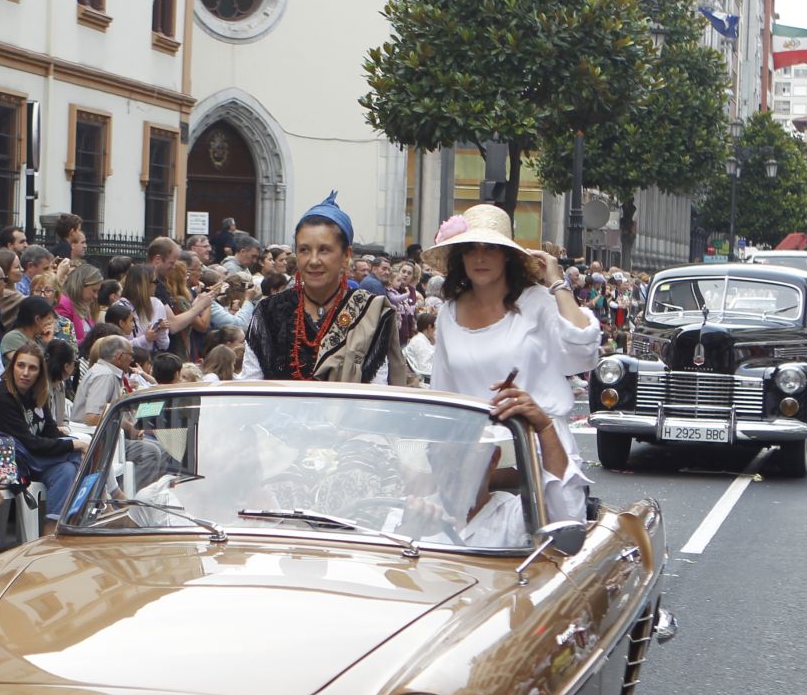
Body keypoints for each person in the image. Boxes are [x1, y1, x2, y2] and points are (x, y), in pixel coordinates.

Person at [421, 204, 598, 519]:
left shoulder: (537, 302)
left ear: (507, 255)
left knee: (547, 554)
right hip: (474, 465)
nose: (480, 257)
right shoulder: (447, 315)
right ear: (460, 257)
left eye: (491, 248)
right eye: (471, 248)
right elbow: (442, 396)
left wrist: (557, 283)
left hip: (540, 450)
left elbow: (582, 349)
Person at [242, 193, 409, 383]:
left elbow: (376, 394)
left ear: (346, 255)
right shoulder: (269, 312)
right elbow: (251, 385)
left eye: (324, 250)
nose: (313, 261)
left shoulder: (370, 313)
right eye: (304, 250)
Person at [0, 342, 86, 525]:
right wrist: (72, 445)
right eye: (20, 365)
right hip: (9, 461)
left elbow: (50, 431)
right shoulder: (1, 396)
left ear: (40, 372)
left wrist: (72, 441)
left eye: (32, 368)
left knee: (67, 470)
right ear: (12, 366)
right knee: (78, 452)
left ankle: (52, 527)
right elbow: (28, 443)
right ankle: (92, 510)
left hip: (34, 458)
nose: (25, 373)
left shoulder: (37, 392)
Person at [404, 308, 437, 384]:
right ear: (429, 327)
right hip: (425, 381)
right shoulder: (419, 342)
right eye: (435, 327)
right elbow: (424, 368)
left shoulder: (422, 340)